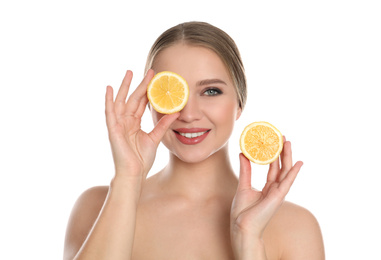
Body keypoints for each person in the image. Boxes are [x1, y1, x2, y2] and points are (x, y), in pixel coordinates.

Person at [63, 21, 325, 260]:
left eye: (211, 91)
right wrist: (128, 179)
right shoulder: (97, 207)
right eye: (171, 93)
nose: (188, 114)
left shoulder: (296, 227)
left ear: (239, 103)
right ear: (150, 102)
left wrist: (250, 242)